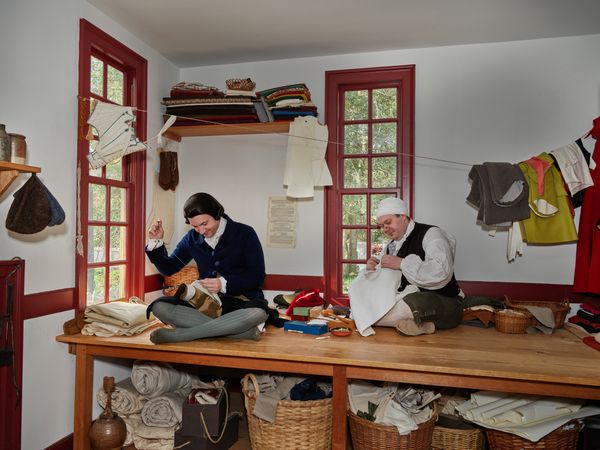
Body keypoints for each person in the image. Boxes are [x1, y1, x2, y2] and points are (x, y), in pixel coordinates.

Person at [145, 192, 275, 343]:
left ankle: (184, 335)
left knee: (258, 313)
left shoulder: (245, 233)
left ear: (217, 214)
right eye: (195, 226)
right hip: (204, 304)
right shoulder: (191, 239)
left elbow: (257, 276)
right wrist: (156, 242)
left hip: (241, 303)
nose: (201, 231)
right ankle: (238, 332)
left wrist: (223, 284)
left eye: (204, 224)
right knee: (159, 307)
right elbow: (168, 268)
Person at [349, 197, 464, 336]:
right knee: (377, 298)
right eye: (382, 226)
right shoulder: (391, 246)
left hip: (444, 300)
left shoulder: (431, 234)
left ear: (403, 217)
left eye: (388, 222)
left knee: (414, 303)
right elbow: (384, 280)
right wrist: (371, 269)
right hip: (406, 296)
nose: (385, 229)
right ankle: (422, 325)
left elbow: (441, 272)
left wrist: (401, 263)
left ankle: (357, 317)